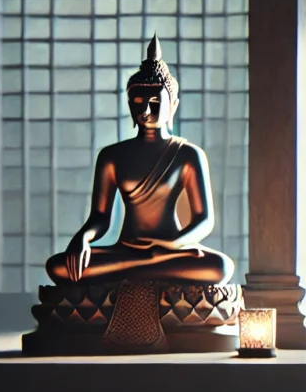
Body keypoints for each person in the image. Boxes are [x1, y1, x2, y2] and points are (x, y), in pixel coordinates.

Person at [45, 36, 233, 286]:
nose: (144, 110)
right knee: (60, 267)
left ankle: (130, 278)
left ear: (172, 106)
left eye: (154, 103)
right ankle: (147, 275)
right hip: (126, 251)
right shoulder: (112, 156)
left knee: (220, 267)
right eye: (137, 103)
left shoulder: (188, 155)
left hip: (170, 250)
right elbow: (100, 217)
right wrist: (83, 238)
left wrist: (172, 244)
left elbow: (204, 220)